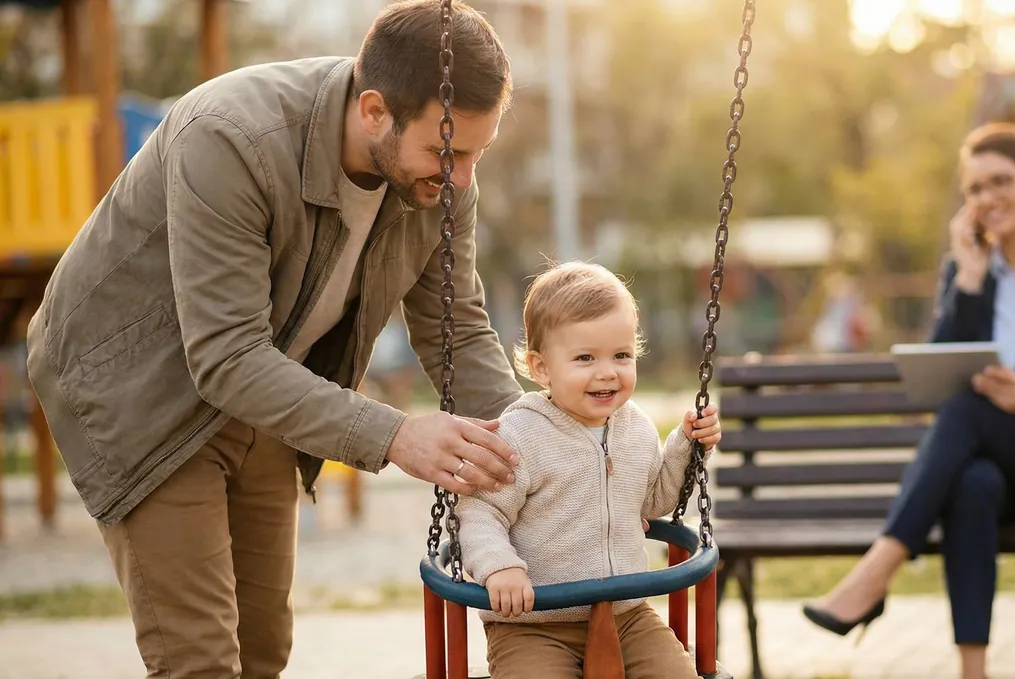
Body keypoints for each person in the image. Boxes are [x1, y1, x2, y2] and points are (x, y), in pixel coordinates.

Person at [24, 2, 527, 677]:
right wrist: (397, 435)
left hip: (264, 384)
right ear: (374, 111)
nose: (463, 177)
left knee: (262, 652)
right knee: (201, 661)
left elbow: (456, 329)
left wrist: (538, 446)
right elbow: (226, 356)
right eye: (448, 152)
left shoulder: (440, 180)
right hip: (137, 387)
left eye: (477, 153)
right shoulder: (231, 136)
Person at [801, 123, 1015, 679]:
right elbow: (938, 374)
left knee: (968, 409)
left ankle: (879, 567)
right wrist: (973, 279)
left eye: (1000, 181)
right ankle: (972, 672)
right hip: (995, 468)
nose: (986, 198)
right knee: (973, 480)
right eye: (974, 188)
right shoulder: (967, 271)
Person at [456, 261, 723, 679]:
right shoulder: (519, 436)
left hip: (628, 615)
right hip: (535, 624)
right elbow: (479, 512)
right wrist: (499, 566)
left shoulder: (635, 428)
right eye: (584, 358)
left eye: (621, 355)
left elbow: (655, 500)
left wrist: (688, 444)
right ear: (541, 367)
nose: (607, 372)